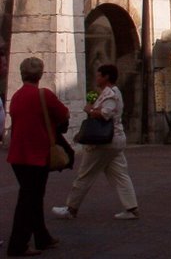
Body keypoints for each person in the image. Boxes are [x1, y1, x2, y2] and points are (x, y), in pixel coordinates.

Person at [52, 64, 139, 221]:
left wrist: (90, 110)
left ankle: (71, 208)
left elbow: (106, 114)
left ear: (106, 77)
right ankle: (131, 208)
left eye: (99, 75)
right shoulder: (110, 92)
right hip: (114, 142)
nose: (96, 78)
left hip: (105, 142)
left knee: (85, 175)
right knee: (120, 174)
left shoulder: (110, 94)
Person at [7, 56, 68, 257]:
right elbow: (64, 114)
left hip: (17, 154)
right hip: (37, 153)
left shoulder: (16, 96)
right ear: (40, 74)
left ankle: (42, 237)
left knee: (32, 197)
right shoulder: (44, 95)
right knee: (28, 200)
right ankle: (18, 245)